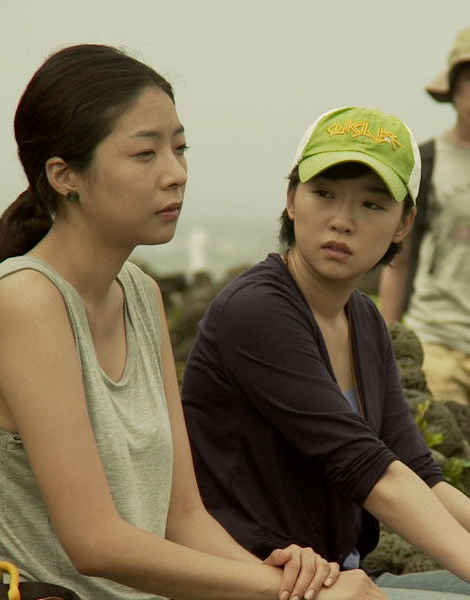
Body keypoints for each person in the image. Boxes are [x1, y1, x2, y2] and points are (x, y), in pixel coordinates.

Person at [0, 45, 381, 600]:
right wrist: (285, 593)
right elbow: (95, 544)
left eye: (179, 148)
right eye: (145, 154)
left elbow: (184, 519)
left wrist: (292, 584)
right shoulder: (26, 301)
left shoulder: (140, 295)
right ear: (64, 175)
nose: (176, 174)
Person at [181, 106, 470, 600]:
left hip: (342, 578)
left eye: (372, 204)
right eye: (323, 194)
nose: (342, 221)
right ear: (291, 199)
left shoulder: (365, 320)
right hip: (264, 582)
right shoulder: (257, 310)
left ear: (405, 224)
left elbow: (421, 477)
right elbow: (366, 468)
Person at [379, 27, 470, 405]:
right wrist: (386, 342)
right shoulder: (426, 162)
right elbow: (398, 261)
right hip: (438, 343)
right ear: (454, 88)